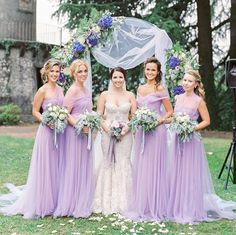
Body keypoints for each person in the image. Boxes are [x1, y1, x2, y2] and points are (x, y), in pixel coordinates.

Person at [167, 70, 236, 224]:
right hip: (178, 139)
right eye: (184, 80)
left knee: (189, 174)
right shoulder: (177, 98)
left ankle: (190, 207)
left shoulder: (199, 101)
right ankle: (176, 205)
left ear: (196, 84)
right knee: (177, 172)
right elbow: (174, 117)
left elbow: (206, 121)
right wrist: (165, 121)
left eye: (190, 81)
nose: (186, 83)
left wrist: (191, 128)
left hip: (192, 141)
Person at [0, 59, 64, 219]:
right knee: (46, 166)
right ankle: (43, 202)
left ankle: (55, 200)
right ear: (47, 72)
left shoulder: (61, 90)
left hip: (60, 133)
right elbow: (35, 111)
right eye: (52, 71)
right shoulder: (42, 90)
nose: (55, 74)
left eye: (57, 71)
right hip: (46, 132)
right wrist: (46, 120)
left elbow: (63, 109)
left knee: (57, 166)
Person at [126, 57, 173, 221]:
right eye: (148, 69)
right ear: (144, 70)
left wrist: (157, 121)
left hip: (156, 131)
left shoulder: (160, 88)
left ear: (158, 71)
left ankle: (156, 204)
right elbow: (136, 110)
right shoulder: (140, 88)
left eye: (153, 70)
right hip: (142, 132)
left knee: (154, 166)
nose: (150, 72)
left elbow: (169, 111)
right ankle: (143, 203)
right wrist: (137, 118)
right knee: (142, 165)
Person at [93, 67, 137, 215]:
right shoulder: (104, 95)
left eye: (120, 77)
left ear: (124, 78)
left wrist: (125, 130)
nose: (118, 80)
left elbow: (135, 117)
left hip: (126, 135)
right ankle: (105, 200)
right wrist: (108, 129)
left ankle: (125, 201)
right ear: (111, 79)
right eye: (115, 77)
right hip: (107, 133)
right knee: (108, 161)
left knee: (123, 161)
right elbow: (98, 116)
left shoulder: (130, 95)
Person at [54, 59, 94, 218]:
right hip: (74, 133)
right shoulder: (73, 90)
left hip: (85, 133)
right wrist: (79, 125)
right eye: (80, 71)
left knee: (83, 166)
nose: (83, 74)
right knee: (74, 166)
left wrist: (90, 123)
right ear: (73, 73)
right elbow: (65, 113)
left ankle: (81, 200)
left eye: (85, 71)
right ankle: (70, 204)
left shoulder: (84, 88)